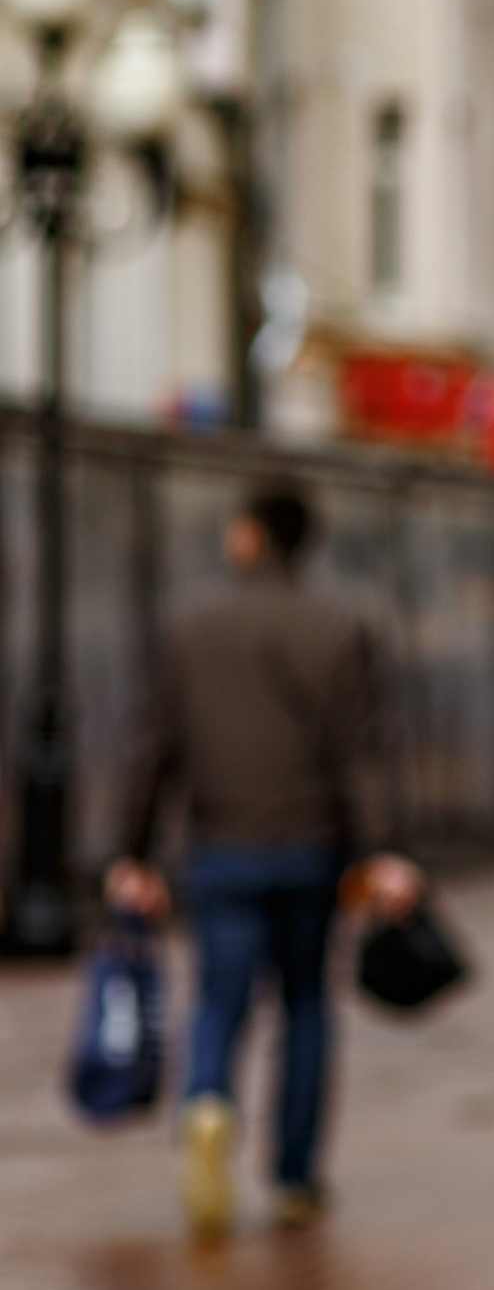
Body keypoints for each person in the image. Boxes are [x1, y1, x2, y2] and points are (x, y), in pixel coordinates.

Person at [109, 480, 422, 1238]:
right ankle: (295, 1178)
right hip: (313, 849)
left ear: (249, 537)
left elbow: (156, 749)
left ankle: (209, 1100)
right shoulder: (340, 627)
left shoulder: (192, 629)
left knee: (219, 999)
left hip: (220, 848)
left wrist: (133, 852)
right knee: (307, 1004)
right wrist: (383, 852)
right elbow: (363, 756)